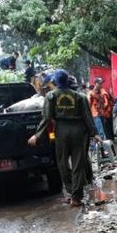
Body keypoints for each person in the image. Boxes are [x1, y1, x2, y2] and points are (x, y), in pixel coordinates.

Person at [28, 69, 99, 207]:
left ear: (55, 81)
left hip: (61, 131)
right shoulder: (80, 97)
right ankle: (76, 197)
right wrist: (94, 133)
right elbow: (87, 118)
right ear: (68, 80)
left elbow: (47, 118)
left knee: (62, 163)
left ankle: (70, 190)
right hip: (79, 131)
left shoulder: (50, 96)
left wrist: (38, 134)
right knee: (78, 164)